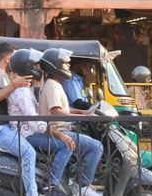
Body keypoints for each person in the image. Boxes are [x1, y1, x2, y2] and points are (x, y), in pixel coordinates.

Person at [6, 49, 73, 192]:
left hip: (32, 132)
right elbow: (34, 122)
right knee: (65, 145)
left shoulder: (27, 88)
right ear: (26, 67)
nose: (39, 69)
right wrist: (60, 134)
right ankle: (51, 185)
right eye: (36, 66)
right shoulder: (22, 92)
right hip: (28, 135)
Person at [40, 47, 104, 196]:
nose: (69, 66)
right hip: (57, 131)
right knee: (96, 147)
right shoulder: (52, 86)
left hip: (62, 129)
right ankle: (81, 186)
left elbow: (64, 108)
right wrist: (83, 117)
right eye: (66, 64)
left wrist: (84, 112)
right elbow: (56, 112)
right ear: (55, 66)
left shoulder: (55, 84)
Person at [0, 42, 35, 196]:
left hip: (1, 126)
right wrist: (14, 85)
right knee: (29, 152)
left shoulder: (1, 74)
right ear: (9, 59)